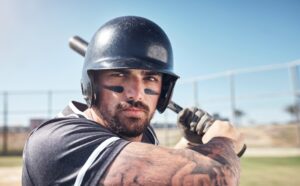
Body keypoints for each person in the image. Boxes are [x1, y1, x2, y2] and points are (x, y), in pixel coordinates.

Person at [22, 16, 245, 186]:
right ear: (91, 84)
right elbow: (215, 177)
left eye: (150, 78)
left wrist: (190, 142)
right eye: (119, 75)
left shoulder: (141, 135)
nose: (136, 94)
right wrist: (224, 140)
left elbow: (153, 174)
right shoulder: (58, 141)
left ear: (164, 90)